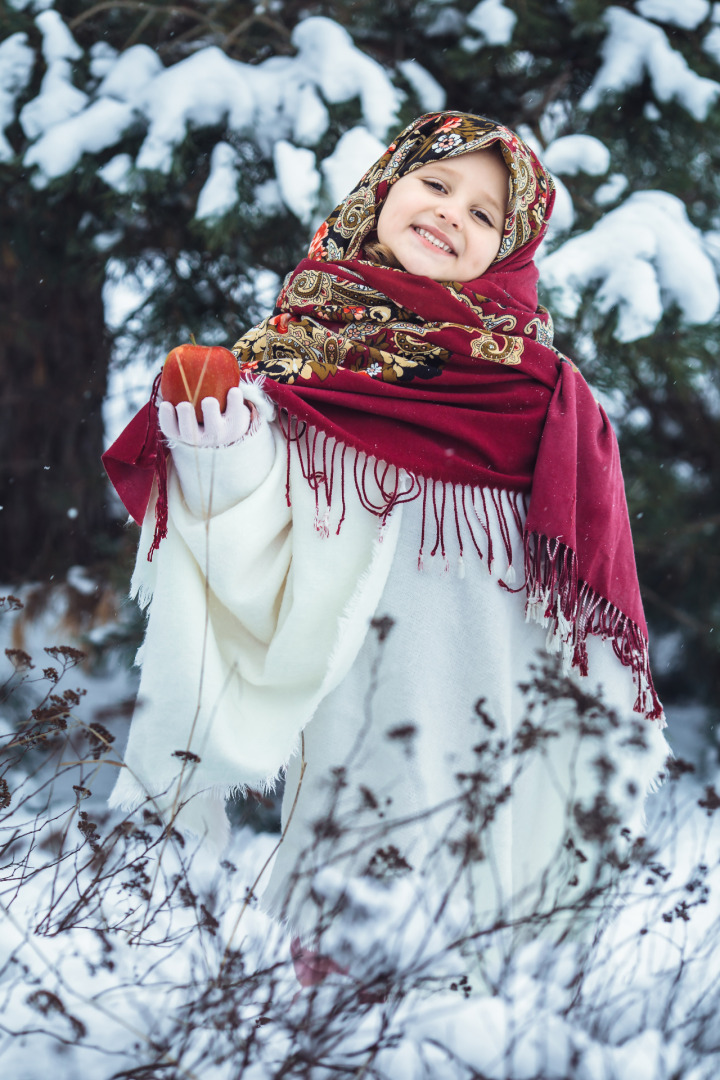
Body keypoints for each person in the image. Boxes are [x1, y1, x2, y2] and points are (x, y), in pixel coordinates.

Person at [104, 112, 670, 965]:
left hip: (498, 704)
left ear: (511, 249)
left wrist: (599, 716)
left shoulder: (545, 397)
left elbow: (587, 581)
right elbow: (257, 543)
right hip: (362, 711)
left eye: (486, 214)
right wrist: (214, 449)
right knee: (346, 935)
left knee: (486, 936)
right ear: (385, 188)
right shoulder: (301, 359)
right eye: (436, 184)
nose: (452, 214)